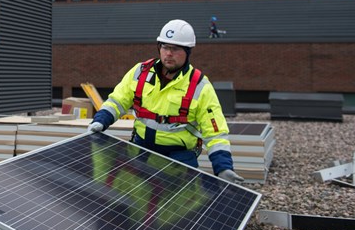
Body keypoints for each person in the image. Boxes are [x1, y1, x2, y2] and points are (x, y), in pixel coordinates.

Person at [87, 19, 244, 184]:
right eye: (165, 47)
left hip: (180, 157)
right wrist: (100, 120)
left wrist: (223, 168)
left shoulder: (200, 86)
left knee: (180, 206)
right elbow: (117, 101)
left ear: (188, 51)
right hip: (141, 149)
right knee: (134, 199)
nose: (168, 53)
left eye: (175, 49)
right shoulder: (140, 72)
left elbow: (215, 133)